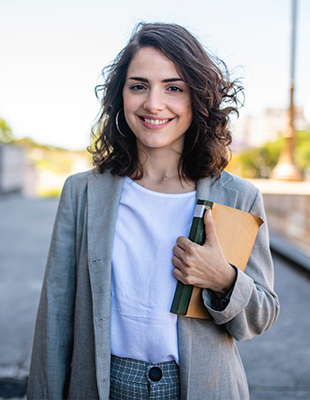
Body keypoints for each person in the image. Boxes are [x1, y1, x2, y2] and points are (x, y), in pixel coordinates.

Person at [27, 22, 280, 400]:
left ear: (197, 98)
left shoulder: (237, 196)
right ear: (120, 96)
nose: (153, 103)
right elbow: (55, 317)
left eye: (173, 87)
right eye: (139, 85)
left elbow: (259, 317)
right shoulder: (82, 193)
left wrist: (224, 279)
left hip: (200, 388)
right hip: (101, 385)